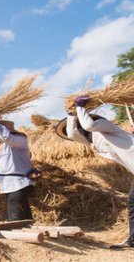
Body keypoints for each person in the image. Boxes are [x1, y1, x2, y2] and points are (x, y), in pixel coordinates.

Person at [55, 95, 134, 249]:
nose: (74, 128)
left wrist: (80, 108)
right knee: (132, 202)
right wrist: (71, 114)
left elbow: (89, 125)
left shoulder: (106, 126)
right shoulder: (92, 141)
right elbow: (72, 134)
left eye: (77, 121)